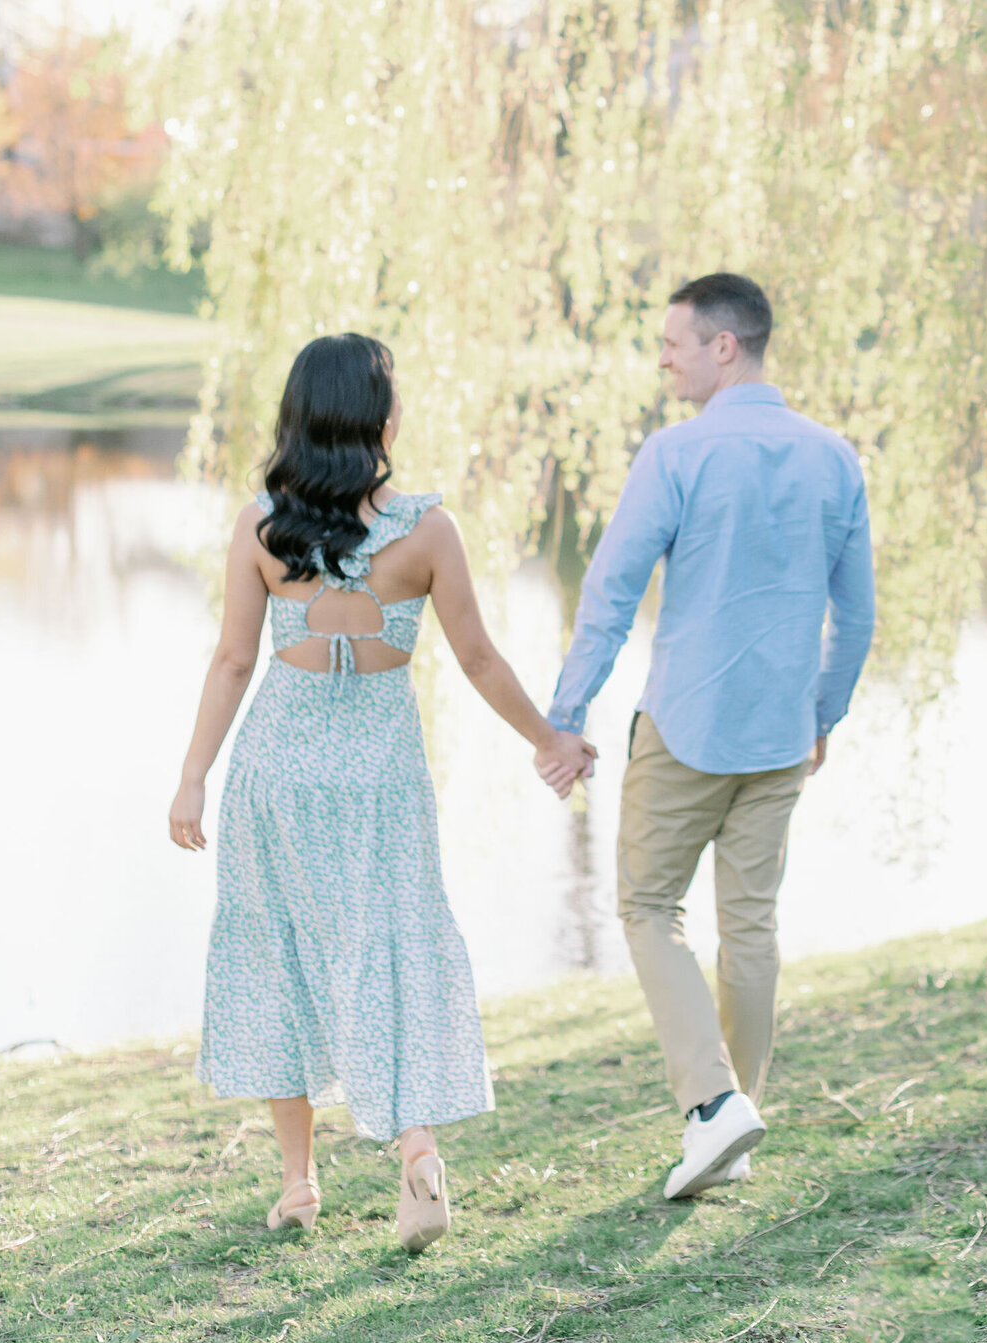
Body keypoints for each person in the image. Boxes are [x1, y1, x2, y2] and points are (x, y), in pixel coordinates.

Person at [168, 333, 593, 1251]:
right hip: (379, 775)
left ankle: (299, 1182)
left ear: (299, 418)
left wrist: (193, 776)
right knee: (390, 949)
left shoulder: (259, 525)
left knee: (278, 948)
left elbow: (235, 658)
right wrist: (549, 739)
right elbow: (478, 658)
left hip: (277, 769)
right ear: (383, 420)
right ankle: (417, 1149)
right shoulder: (428, 530)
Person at [546, 271, 875, 1200]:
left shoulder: (676, 454)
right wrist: (823, 713)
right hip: (781, 733)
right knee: (751, 926)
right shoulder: (834, 458)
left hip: (688, 727)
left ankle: (713, 1106)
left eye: (674, 343)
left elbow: (608, 597)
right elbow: (855, 621)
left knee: (648, 908)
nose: (663, 358)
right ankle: (734, 1119)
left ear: (723, 346)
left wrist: (567, 716)